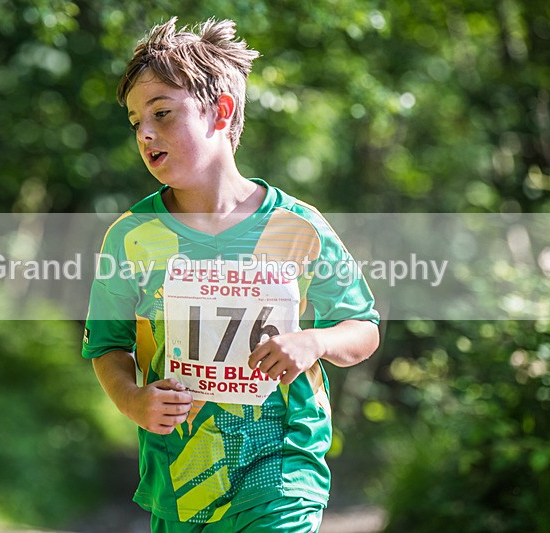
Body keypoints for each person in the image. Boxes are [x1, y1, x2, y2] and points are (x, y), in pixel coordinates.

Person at [82, 16, 380, 532]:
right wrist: (133, 401)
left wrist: (313, 343)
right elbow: (107, 346)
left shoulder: (299, 227)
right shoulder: (130, 237)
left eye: (162, 113)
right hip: (179, 478)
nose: (146, 132)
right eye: (136, 121)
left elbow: (363, 328)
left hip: (282, 469)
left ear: (220, 112)